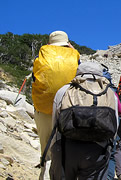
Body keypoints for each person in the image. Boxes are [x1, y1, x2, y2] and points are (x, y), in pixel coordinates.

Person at [49, 62, 121, 180]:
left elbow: (55, 121)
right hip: (97, 149)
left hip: (66, 146)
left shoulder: (64, 90)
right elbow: (115, 126)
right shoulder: (110, 94)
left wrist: (53, 148)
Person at [32, 30, 80, 179]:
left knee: (47, 151)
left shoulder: (42, 55)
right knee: (66, 149)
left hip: (43, 108)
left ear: (49, 43)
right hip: (69, 109)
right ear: (67, 42)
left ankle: (45, 173)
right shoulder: (75, 56)